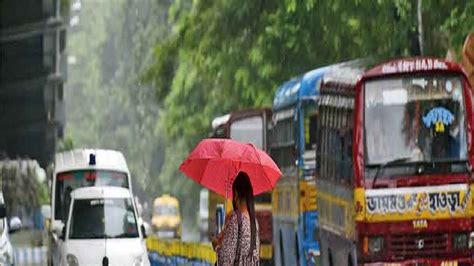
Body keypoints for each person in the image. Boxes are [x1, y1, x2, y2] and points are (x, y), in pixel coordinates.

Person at [211, 172, 260, 265]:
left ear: (236, 193)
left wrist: (217, 245)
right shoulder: (254, 222)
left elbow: (225, 260)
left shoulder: (236, 219)